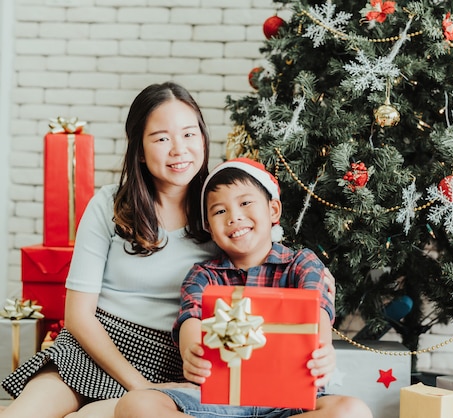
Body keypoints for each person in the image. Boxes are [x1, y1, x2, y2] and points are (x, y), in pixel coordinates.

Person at [1, 82, 217, 418]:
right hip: (93, 347)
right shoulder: (109, 204)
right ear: (141, 151)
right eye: (162, 138)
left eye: (190, 134)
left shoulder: (220, 211)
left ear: (203, 139)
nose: (179, 150)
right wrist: (137, 383)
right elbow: (78, 315)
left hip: (169, 361)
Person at [114, 158, 372, 418]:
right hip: (219, 404)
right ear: (209, 229)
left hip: (290, 401)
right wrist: (192, 352)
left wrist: (323, 348)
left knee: (353, 411)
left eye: (245, 203)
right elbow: (191, 318)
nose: (234, 216)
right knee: (135, 405)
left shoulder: (300, 263)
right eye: (219, 211)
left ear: (273, 210)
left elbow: (317, 307)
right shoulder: (203, 275)